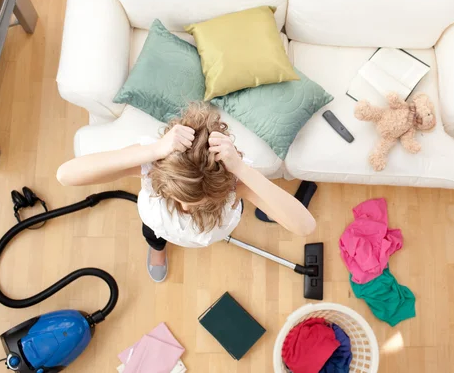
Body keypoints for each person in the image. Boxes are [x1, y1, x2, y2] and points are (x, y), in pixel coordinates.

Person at [56, 102, 316, 282]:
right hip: (158, 223)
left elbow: (305, 226)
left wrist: (241, 169)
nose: (187, 210)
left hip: (215, 228)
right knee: (152, 234)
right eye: (181, 200)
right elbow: (66, 175)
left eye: (198, 203)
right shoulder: (152, 165)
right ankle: (158, 247)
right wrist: (152, 151)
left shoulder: (236, 182)